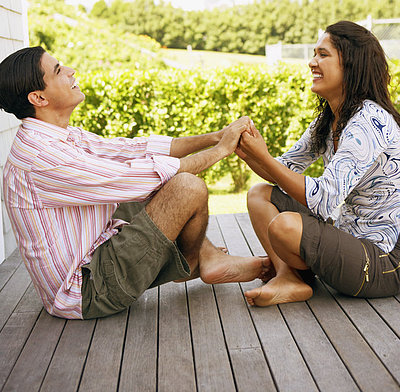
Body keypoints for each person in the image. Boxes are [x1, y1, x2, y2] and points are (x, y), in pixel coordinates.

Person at [0, 46, 267, 319]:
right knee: (186, 187)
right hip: (87, 290)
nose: (71, 71)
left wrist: (215, 136)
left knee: (154, 183)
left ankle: (207, 258)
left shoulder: (57, 136)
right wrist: (221, 150)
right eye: (58, 71)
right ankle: (196, 259)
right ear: (38, 97)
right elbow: (143, 177)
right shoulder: (43, 157)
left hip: (98, 250)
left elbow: (133, 149)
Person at [235, 20, 400, 306]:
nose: (312, 62)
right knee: (259, 195)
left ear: (351, 64)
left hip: (383, 259)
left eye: (323, 54)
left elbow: (324, 199)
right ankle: (289, 278)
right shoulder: (329, 120)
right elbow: (283, 170)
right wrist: (247, 148)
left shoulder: (369, 122)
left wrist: (261, 155)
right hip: (348, 235)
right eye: (314, 54)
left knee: (285, 226)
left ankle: (288, 276)